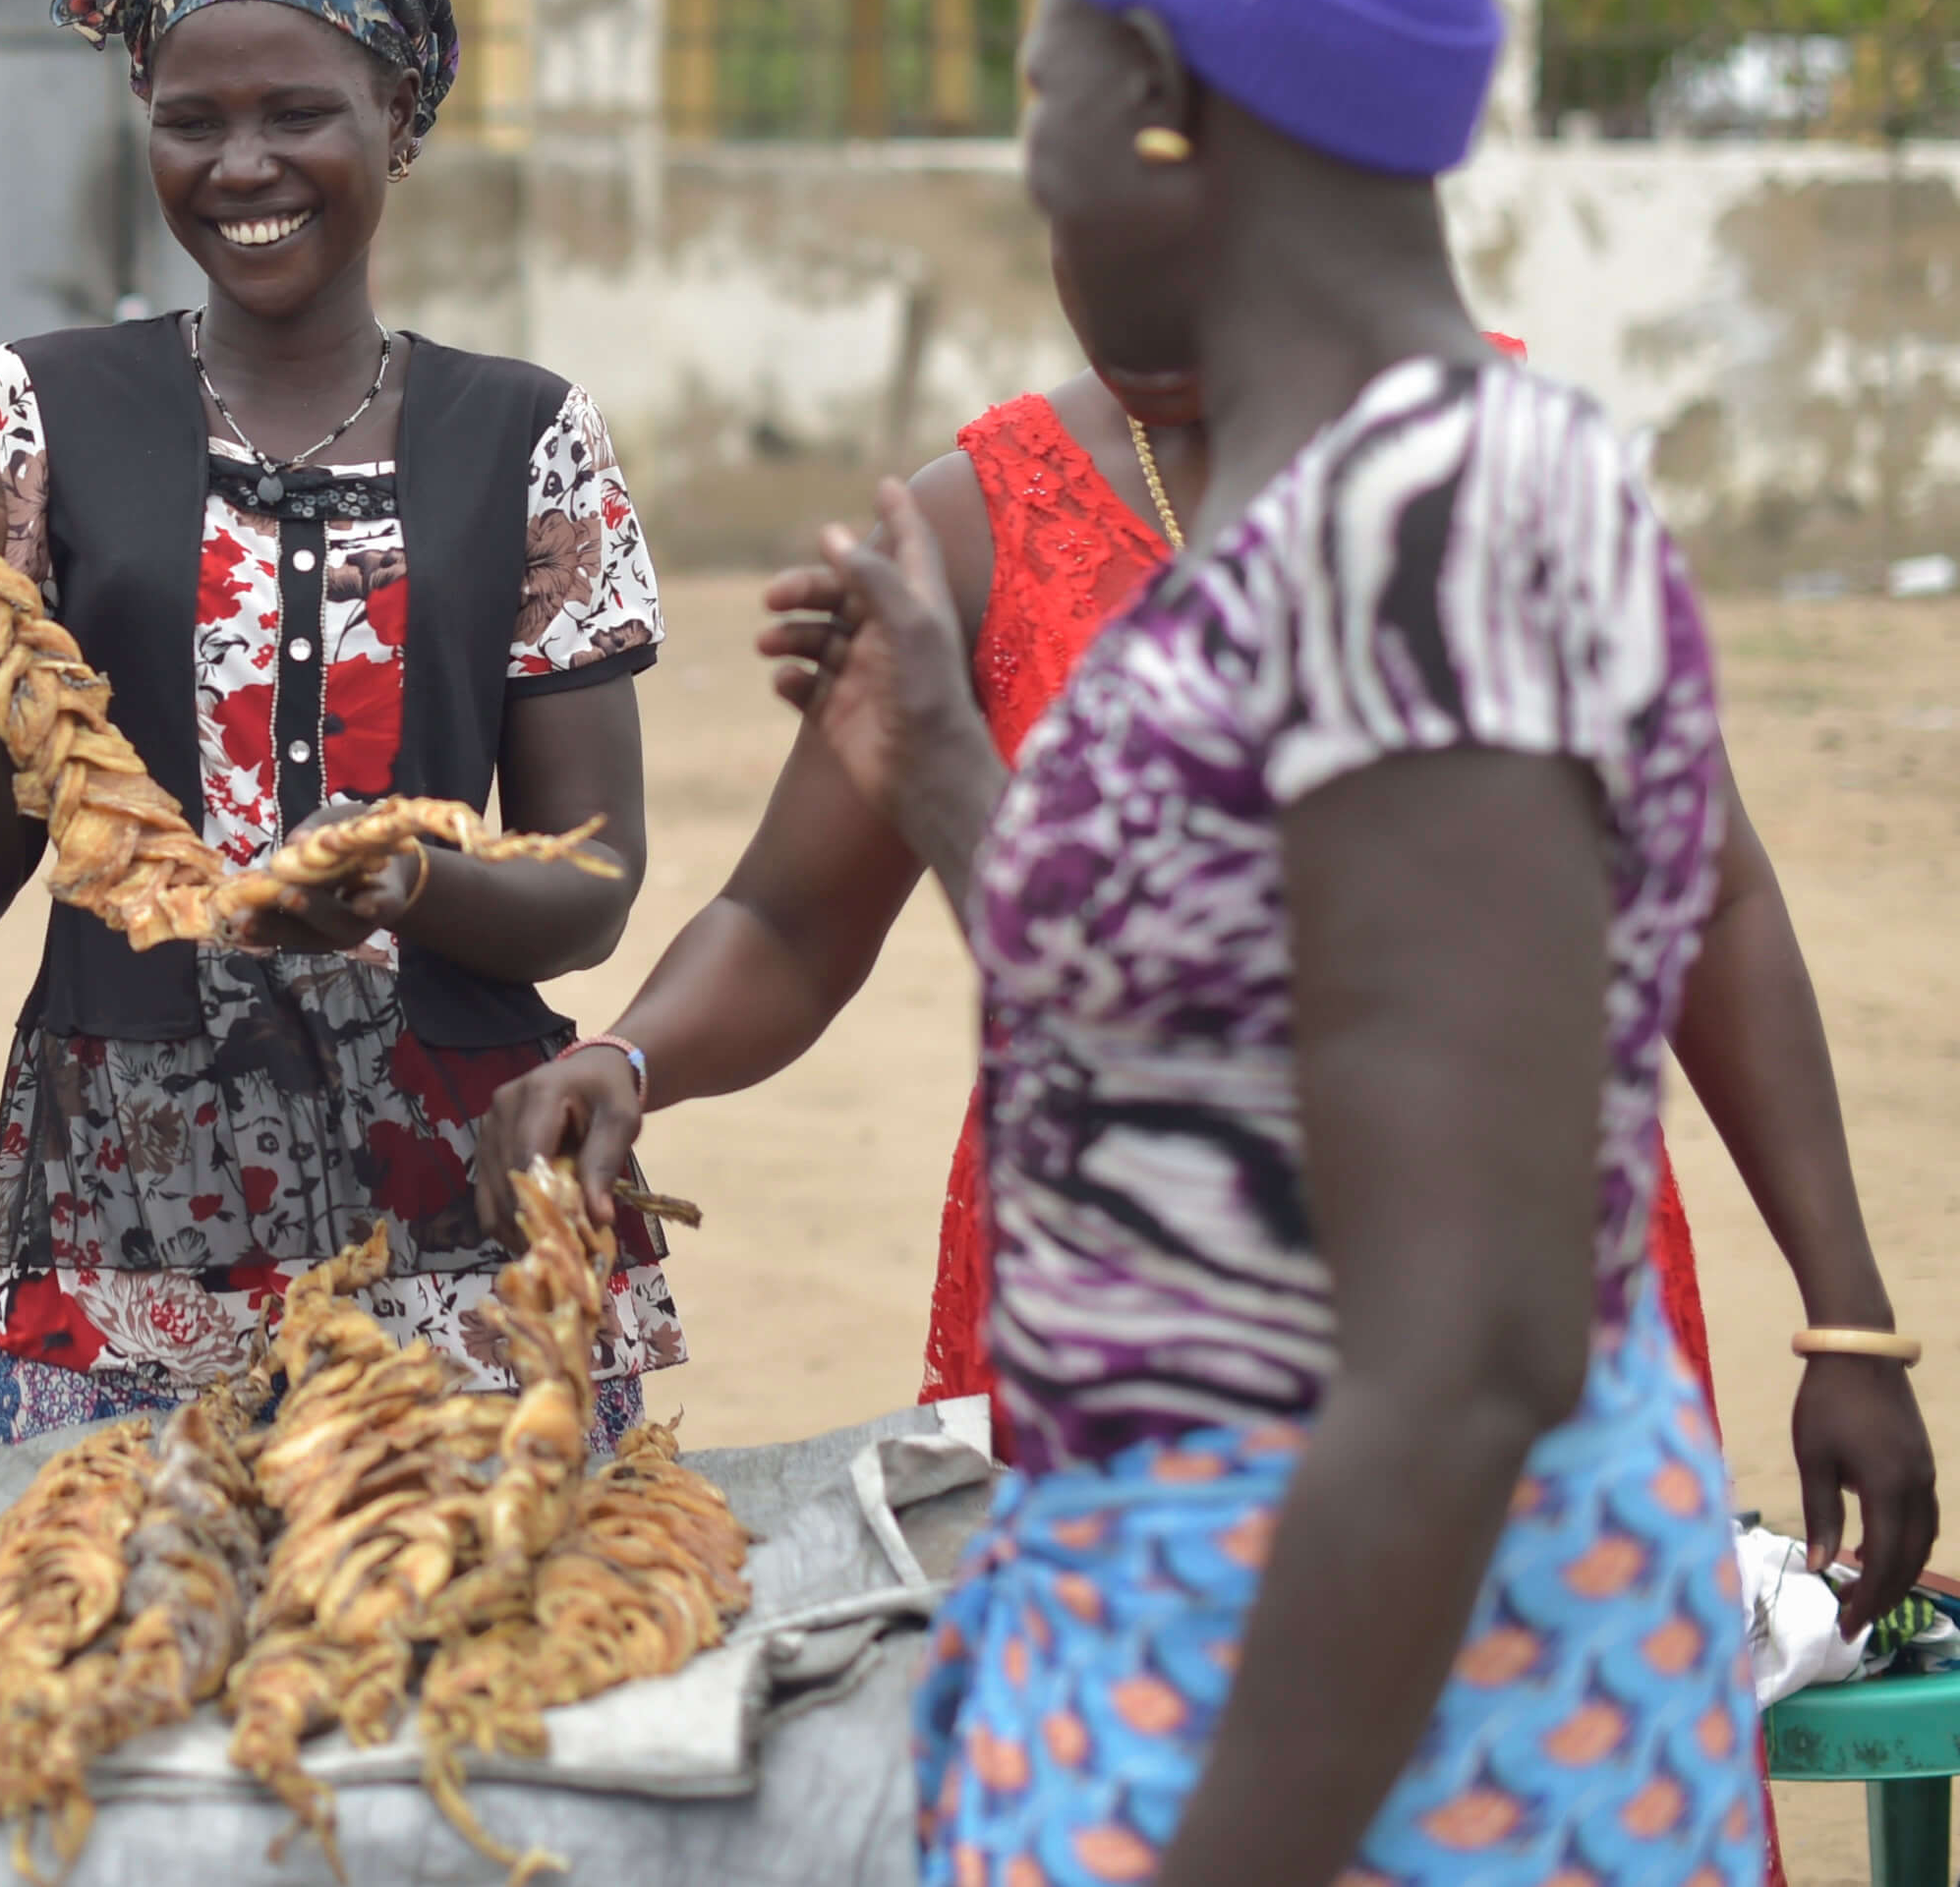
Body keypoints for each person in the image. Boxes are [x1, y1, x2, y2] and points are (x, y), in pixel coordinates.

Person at [783, 0, 1914, 1884]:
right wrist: (937, 771)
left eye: (1035, 83)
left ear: (1163, 97)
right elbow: (1222, 1061)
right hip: (1255, 1651)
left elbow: (1462, 1349)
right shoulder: (1418, 502)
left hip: (1384, 1737)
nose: (1019, 149)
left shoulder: (1417, 561)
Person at [473, 333, 1936, 1623]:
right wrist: (638, 1054)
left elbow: (1712, 889)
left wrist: (1850, 1318)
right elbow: (791, 924)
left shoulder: (1512, 475)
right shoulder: (974, 520)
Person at [0, 0, 671, 1446]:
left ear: (401, 116)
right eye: (189, 118)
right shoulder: (37, 411)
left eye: (299, 112)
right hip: (135, 1198)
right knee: (124, 1638)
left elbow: (595, 881)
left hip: (466, 1203)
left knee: (471, 1644)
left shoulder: (528, 436)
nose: (241, 166)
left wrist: (402, 883)